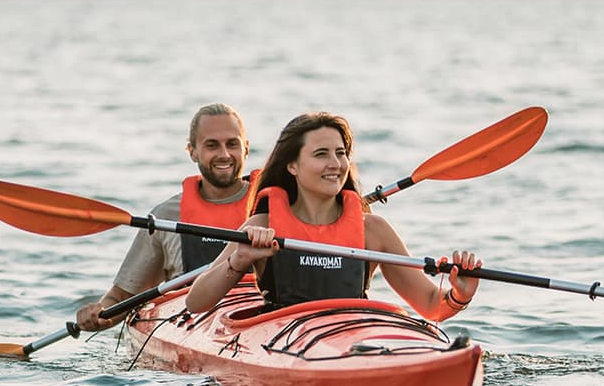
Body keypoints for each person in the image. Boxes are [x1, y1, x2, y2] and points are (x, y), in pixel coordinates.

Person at [185, 112, 483, 320]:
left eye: (341, 153)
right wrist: (240, 261)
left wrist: (459, 295)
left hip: (350, 337)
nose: (336, 164)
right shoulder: (262, 226)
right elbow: (196, 303)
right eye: (321, 154)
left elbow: (432, 306)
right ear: (292, 166)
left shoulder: (374, 231)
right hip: (281, 341)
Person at [74, 103, 252, 332]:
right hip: (191, 328)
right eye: (212, 145)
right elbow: (123, 296)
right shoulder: (166, 217)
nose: (224, 154)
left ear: (245, 148)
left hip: (257, 323)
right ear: (192, 152)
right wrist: (99, 314)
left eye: (232, 144)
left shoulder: (270, 208)